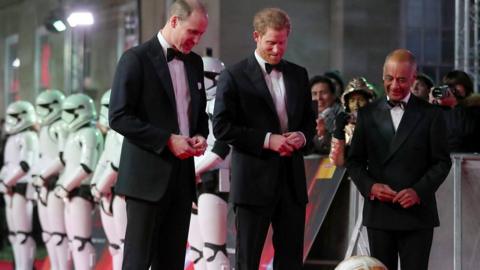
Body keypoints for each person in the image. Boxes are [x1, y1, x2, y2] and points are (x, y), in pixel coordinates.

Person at [108, 0, 209, 269]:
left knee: (172, 261)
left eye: (201, 34)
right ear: (174, 21)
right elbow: (118, 117)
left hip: (182, 178)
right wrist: (166, 139)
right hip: (145, 178)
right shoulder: (136, 59)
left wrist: (200, 134)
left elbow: (197, 114)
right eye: (192, 32)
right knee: (137, 261)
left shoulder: (195, 63)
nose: (196, 40)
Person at [213, 7, 316, 270]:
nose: (277, 49)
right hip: (252, 183)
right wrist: (268, 140)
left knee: (291, 261)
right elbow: (223, 128)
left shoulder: (298, 74)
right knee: (247, 261)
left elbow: (309, 122)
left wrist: (302, 137)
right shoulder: (233, 76)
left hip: (291, 183)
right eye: (271, 42)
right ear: (256, 36)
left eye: (282, 43)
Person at [347, 49, 452, 270]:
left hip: (417, 214)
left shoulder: (431, 114)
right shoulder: (367, 114)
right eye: (389, 78)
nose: (395, 85)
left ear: (414, 78)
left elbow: (442, 162)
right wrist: (371, 187)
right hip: (380, 214)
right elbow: (354, 162)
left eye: (402, 79)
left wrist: (418, 192)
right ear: (382, 76)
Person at [187, 54, 231, 270]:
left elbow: (223, 148)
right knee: (198, 251)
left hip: (214, 176)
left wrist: (194, 169)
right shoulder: (196, 105)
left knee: (214, 250)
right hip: (197, 177)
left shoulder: (221, 105)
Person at [91, 90, 127, 270]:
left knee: (125, 245)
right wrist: (96, 185)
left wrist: (99, 186)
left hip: (121, 193)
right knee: (116, 247)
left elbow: (117, 163)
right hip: (108, 194)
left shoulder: (125, 133)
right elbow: (104, 160)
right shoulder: (113, 134)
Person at [429, 70, 480, 153]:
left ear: (466, 87)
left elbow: (464, 131)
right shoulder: (439, 110)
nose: (452, 89)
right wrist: (431, 104)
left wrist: (454, 104)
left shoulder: (475, 109)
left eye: (456, 85)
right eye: (449, 86)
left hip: (469, 161)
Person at [329, 77, 373, 166]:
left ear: (369, 102)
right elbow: (336, 161)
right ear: (347, 104)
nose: (356, 105)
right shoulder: (343, 126)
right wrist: (338, 132)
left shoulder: (378, 123)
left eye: (360, 100)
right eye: (352, 100)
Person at [310, 75, 343, 154]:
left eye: (323, 93)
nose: (318, 98)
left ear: (333, 95)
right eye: (314, 94)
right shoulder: (306, 116)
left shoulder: (342, 116)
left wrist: (324, 134)